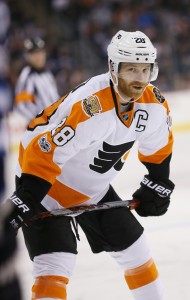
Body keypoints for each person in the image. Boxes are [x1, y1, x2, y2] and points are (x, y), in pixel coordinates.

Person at [3, 30, 175, 300]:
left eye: (145, 70)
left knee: (136, 250)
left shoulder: (154, 105)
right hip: (46, 187)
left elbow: (159, 147)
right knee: (54, 264)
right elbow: (44, 152)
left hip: (93, 188)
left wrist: (159, 182)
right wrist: (26, 199)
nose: (140, 79)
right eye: (131, 69)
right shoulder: (90, 108)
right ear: (113, 68)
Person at [14, 36, 60, 123]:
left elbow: (54, 99)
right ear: (27, 56)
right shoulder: (27, 76)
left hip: (54, 123)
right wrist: (40, 122)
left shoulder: (48, 74)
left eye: (40, 52)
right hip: (41, 128)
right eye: (34, 54)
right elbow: (21, 106)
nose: (38, 56)